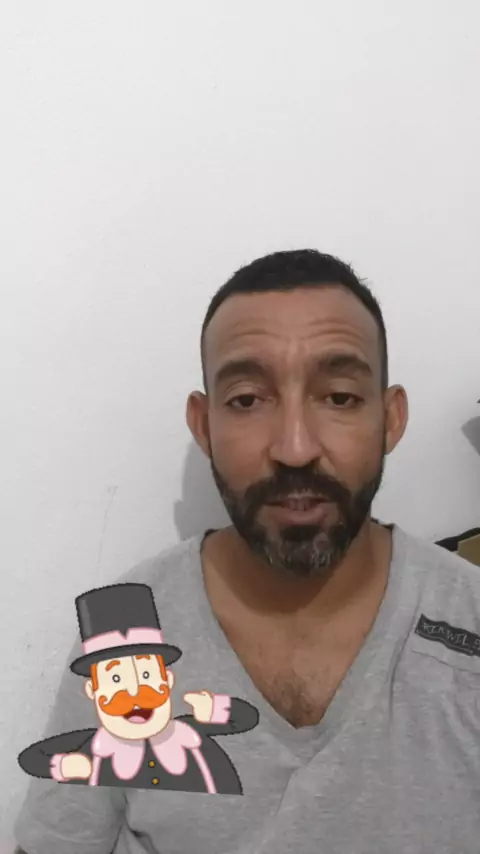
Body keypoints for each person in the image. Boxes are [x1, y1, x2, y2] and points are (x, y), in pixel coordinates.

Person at [14, 249, 480, 854]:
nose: (294, 448)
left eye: (339, 396)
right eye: (246, 400)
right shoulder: (126, 635)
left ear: (390, 419)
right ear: (204, 425)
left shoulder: (467, 618)